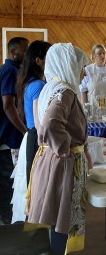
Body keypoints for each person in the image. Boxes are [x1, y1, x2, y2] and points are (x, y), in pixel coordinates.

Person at [26, 43, 92, 254]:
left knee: (53, 212)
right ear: (68, 65)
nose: (83, 74)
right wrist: (66, 149)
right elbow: (51, 123)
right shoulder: (65, 92)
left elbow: (42, 123)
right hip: (63, 163)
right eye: (81, 67)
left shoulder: (51, 87)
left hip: (52, 159)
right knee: (62, 217)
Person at [0, 37, 29, 224]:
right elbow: (8, 105)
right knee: (7, 181)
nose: (26, 55)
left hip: (13, 135)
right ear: (13, 52)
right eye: (24, 51)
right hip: (8, 136)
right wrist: (25, 130)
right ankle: (6, 222)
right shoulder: (9, 70)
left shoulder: (16, 70)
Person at [16, 40, 52, 185]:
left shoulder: (31, 82)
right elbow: (39, 121)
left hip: (32, 135)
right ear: (39, 61)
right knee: (37, 184)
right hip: (37, 137)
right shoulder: (38, 84)